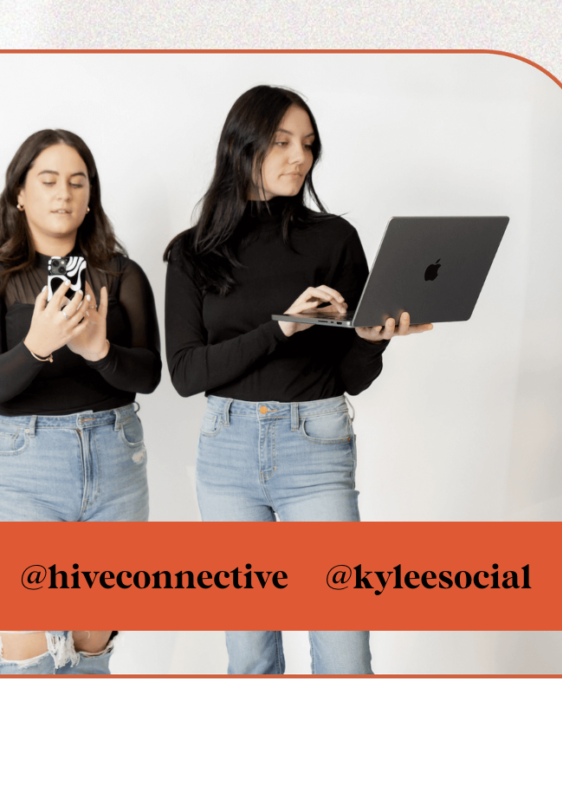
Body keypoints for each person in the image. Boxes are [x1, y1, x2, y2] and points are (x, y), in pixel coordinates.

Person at [164, 86, 431, 675]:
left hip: (316, 442)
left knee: (343, 651)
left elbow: (350, 377)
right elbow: (185, 373)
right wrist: (282, 328)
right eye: (282, 142)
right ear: (243, 145)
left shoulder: (334, 239)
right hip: (227, 453)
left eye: (307, 145)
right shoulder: (192, 253)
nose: (298, 158)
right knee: (250, 652)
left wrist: (371, 339)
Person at [0, 129, 162, 675]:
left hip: (115, 462)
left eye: (77, 182)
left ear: (90, 197)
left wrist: (99, 350)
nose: (63, 193)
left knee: (92, 650)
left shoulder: (122, 274)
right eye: (47, 180)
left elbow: (150, 374)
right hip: (23, 466)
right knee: (28, 653)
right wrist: (36, 345)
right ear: (19, 194)